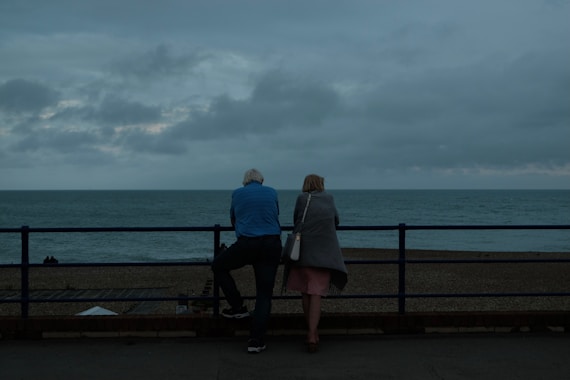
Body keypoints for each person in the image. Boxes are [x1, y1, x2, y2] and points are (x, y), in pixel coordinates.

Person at [211, 168, 282, 354]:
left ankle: (237, 306)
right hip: (271, 244)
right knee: (264, 294)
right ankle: (255, 341)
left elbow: (234, 219)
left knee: (218, 266)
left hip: (247, 243)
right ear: (261, 181)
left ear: (245, 181)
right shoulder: (272, 192)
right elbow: (276, 214)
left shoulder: (237, 193)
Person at [283, 174, 347, 353]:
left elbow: (296, 220)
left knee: (306, 291)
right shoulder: (329, 198)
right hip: (323, 254)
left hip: (303, 252)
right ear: (321, 184)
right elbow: (336, 220)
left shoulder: (302, 199)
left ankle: (312, 332)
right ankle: (312, 334)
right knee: (317, 293)